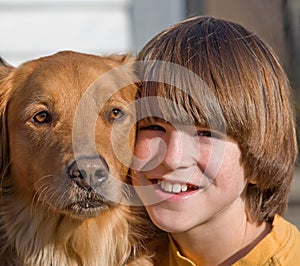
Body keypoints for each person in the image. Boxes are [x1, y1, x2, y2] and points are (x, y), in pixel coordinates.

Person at [130, 16, 300, 265]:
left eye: (205, 133)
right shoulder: (118, 254)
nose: (172, 158)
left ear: (259, 158)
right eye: (154, 126)